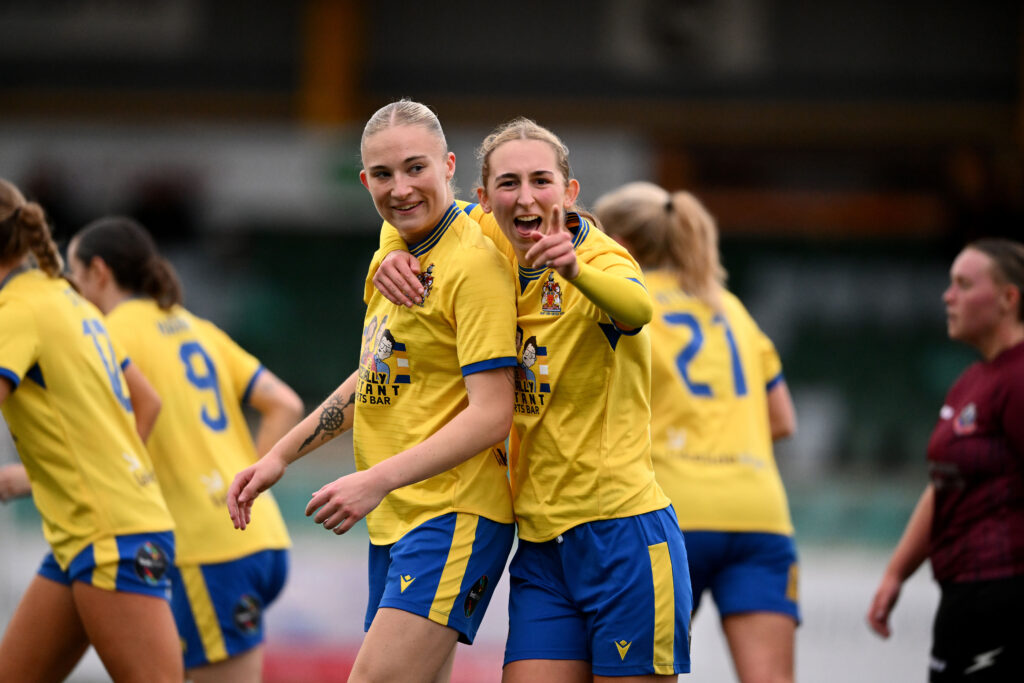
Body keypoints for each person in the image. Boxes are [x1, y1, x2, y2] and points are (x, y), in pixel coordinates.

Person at [373, 118, 693, 682]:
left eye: (541, 181)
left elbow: (638, 310)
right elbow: (411, 209)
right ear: (483, 198)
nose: (525, 197)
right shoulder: (493, 236)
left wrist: (574, 269)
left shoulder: (601, 258)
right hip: (541, 545)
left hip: (621, 535)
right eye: (508, 183)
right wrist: (392, 250)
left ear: (569, 192)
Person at [226, 99, 519, 683]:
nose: (400, 188)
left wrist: (374, 480)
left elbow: (493, 415)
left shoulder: (474, 264)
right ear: (364, 182)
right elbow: (377, 374)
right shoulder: (396, 251)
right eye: (383, 174)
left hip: (453, 513)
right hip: (400, 517)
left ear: (449, 166)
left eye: (416, 168)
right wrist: (281, 454)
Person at [64, 216, 303, 682]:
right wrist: (248, 485)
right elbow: (285, 403)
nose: (71, 290)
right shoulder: (195, 326)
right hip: (260, 538)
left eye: (74, 275)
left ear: (99, 272)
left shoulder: (107, 335)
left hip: (207, 553)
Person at [594, 182, 800, 683]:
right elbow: (782, 420)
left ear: (619, 242)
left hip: (667, 514)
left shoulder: (623, 307)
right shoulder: (731, 308)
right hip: (759, 513)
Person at [0, 178, 181, 682]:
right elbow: (146, 401)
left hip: (111, 537)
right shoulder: (64, 296)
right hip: (90, 532)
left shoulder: (16, 312)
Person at [867, 238, 1024, 682]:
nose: (947, 296)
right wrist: (896, 573)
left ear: (1008, 298)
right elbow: (945, 484)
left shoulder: (1018, 379)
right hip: (964, 597)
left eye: (963, 285)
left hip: (1005, 592)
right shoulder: (973, 380)